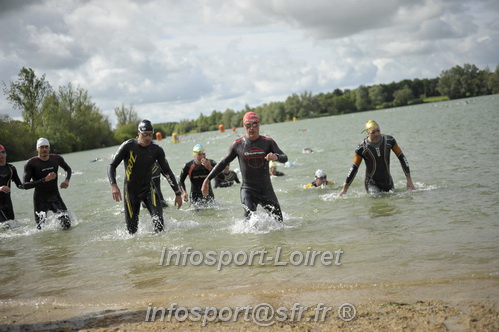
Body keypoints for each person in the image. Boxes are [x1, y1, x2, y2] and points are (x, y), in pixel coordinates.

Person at [201, 112, 288, 222]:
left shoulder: (268, 143)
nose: (251, 128)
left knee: (279, 222)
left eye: (254, 124)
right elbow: (223, 163)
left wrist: (276, 157)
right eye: (248, 125)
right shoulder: (238, 144)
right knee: (250, 221)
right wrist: (207, 180)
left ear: (259, 124)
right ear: (243, 126)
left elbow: (284, 157)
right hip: (248, 190)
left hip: (266, 189)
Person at [108, 120, 182, 234]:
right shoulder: (128, 146)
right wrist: (113, 185)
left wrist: (177, 193)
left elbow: (167, 171)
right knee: (132, 231)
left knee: (159, 224)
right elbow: (112, 166)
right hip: (131, 192)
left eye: (150, 134)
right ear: (139, 134)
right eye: (144, 134)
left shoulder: (156, 150)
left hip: (149, 189)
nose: (148, 138)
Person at [338, 120, 415, 196]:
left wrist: (409, 180)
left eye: (378, 131)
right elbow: (354, 168)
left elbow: (402, 158)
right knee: (377, 197)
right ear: (368, 133)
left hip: (388, 182)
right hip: (372, 184)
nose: (377, 134)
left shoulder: (389, 140)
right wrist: (344, 189)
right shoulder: (362, 148)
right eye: (373, 132)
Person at [23, 138, 72, 229]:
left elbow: (68, 169)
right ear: (37, 149)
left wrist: (66, 181)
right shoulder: (31, 163)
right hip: (40, 200)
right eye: (41, 147)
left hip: (55, 197)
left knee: (67, 224)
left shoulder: (56, 159)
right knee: (40, 229)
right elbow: (25, 185)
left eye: (46, 147)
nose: (44, 149)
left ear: (49, 148)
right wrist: (44, 179)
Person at [0, 145, 24, 222]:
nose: (1, 154)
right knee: (5, 225)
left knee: (12, 226)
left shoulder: (11, 168)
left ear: (6, 154)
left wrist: (41, 180)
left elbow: (20, 185)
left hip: (7, 203)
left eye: (3, 152)